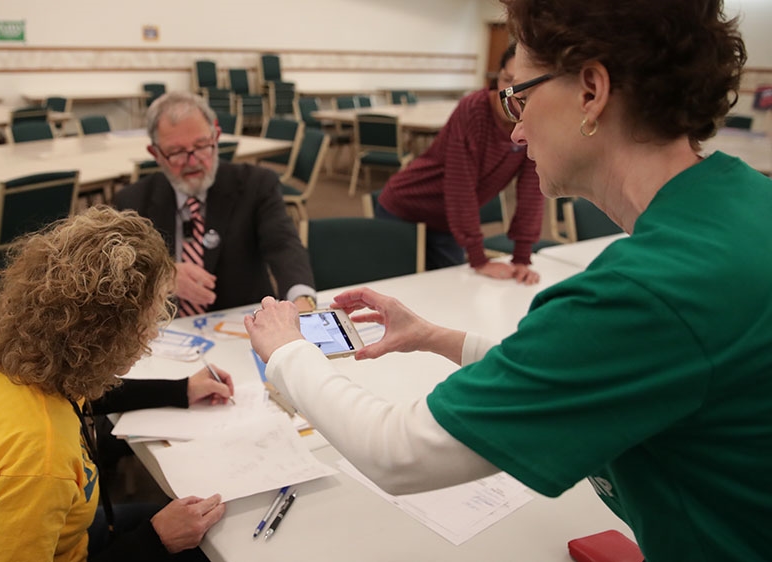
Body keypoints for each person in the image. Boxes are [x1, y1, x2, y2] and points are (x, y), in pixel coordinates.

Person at [246, 1, 772, 560]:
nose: (516, 130)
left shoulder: (648, 292)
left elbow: (398, 453)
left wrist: (287, 352)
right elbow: (596, 368)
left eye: (520, 95)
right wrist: (434, 337)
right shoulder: (747, 204)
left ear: (591, 91)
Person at [0, 206, 230, 562]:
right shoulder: (41, 461)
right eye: (151, 319)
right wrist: (157, 539)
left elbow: (82, 394)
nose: (153, 333)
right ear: (107, 336)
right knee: (211, 547)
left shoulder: (3, 344)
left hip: (55, 533)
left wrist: (180, 389)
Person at [114, 91, 316, 316]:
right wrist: (162, 278)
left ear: (216, 137)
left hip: (244, 324)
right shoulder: (133, 201)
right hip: (167, 331)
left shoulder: (256, 184)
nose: (193, 162)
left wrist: (302, 301)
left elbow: (284, 245)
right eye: (177, 152)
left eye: (202, 146)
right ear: (156, 154)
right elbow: (120, 274)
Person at [375, 44, 542, 284]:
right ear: (496, 79)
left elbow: (531, 190)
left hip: (447, 221)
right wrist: (478, 258)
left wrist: (521, 258)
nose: (513, 92)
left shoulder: (532, 120)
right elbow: (459, 185)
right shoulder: (474, 109)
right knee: (396, 288)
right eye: (507, 80)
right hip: (406, 207)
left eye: (525, 85)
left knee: (451, 290)